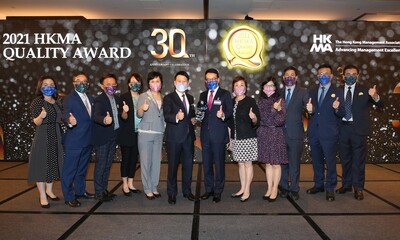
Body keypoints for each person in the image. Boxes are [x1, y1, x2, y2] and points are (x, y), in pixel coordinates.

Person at [336, 64, 384, 200]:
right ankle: (346, 185)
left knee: (358, 161)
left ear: (358, 76)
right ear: (343, 76)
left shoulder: (366, 90)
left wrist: (375, 97)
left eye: (354, 74)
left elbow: (381, 105)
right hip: (343, 129)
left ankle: (358, 188)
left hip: (358, 131)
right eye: (348, 74)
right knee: (345, 160)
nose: (351, 76)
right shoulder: (337, 90)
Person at [306, 64, 345, 202]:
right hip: (314, 132)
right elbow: (310, 112)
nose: (323, 76)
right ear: (317, 76)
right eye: (320, 74)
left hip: (329, 133)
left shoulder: (339, 92)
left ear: (332, 76)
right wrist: (309, 110)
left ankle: (330, 188)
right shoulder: (312, 91)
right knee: (316, 161)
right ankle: (318, 185)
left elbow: (343, 113)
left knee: (330, 162)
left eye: (326, 73)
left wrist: (337, 108)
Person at [198, 68, 233, 203]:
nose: (211, 81)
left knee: (219, 164)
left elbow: (229, 112)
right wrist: (197, 116)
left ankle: (218, 191)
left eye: (214, 79)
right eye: (208, 79)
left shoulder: (225, 94)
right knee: (206, 164)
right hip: (205, 135)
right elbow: (201, 113)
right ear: (205, 81)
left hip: (219, 135)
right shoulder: (202, 95)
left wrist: (223, 115)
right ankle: (209, 189)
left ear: (218, 79)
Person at [28, 75, 63, 208]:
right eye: (45, 84)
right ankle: (42, 195)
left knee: (53, 163)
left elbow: (61, 118)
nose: (49, 86)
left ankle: (49, 190)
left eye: (51, 84)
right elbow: (36, 122)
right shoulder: (37, 102)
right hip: (43, 135)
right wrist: (41, 116)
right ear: (40, 87)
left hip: (56, 135)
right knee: (41, 165)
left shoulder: (58, 101)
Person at [61, 72, 95, 208]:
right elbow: (65, 114)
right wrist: (69, 120)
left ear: (88, 84)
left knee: (82, 169)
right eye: (78, 81)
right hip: (74, 141)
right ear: (74, 83)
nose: (82, 83)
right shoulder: (69, 99)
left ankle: (80, 191)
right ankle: (69, 196)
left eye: (85, 81)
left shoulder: (91, 98)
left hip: (88, 140)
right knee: (70, 170)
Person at [163, 71, 196, 204]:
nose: (181, 83)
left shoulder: (191, 98)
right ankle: (171, 193)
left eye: (184, 81)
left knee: (188, 166)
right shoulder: (169, 98)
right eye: (179, 81)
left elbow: (191, 115)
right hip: (174, 138)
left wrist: (193, 119)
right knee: (172, 167)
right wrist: (176, 117)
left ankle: (187, 191)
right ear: (174, 82)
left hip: (188, 138)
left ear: (188, 84)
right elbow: (166, 115)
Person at [92, 73, 125, 202]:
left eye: (113, 84)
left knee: (107, 165)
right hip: (103, 137)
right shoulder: (99, 100)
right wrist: (104, 120)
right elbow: (96, 116)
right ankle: (98, 192)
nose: (111, 86)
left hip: (113, 136)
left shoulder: (116, 99)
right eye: (108, 84)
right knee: (101, 165)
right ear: (102, 86)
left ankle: (104, 189)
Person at [279, 66, 309, 200]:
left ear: (296, 78)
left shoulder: (303, 92)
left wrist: (311, 109)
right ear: (283, 78)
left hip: (295, 134)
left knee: (294, 163)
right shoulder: (278, 93)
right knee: (282, 163)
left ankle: (294, 188)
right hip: (280, 133)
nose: (289, 77)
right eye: (287, 75)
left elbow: (308, 110)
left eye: (292, 75)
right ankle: (284, 187)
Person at [228, 76, 260, 202]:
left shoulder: (250, 101)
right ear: (233, 88)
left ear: (245, 88)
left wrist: (253, 117)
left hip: (248, 138)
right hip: (236, 138)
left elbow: (257, 120)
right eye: (236, 85)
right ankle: (242, 188)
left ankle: (247, 190)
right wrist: (230, 139)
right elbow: (229, 123)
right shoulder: (231, 102)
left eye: (242, 85)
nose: (239, 87)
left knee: (247, 164)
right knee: (240, 164)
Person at [257, 77, 288, 202]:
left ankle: (275, 188)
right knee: (268, 164)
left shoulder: (280, 100)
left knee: (276, 164)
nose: (269, 88)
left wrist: (278, 109)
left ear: (275, 87)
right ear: (263, 88)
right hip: (264, 133)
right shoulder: (260, 102)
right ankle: (269, 188)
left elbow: (282, 120)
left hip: (276, 133)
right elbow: (261, 119)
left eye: (271, 86)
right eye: (266, 86)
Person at [137, 71, 165, 200]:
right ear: (148, 83)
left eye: (157, 81)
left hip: (159, 133)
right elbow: (139, 114)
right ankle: (147, 188)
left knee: (156, 163)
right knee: (146, 162)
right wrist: (143, 108)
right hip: (145, 133)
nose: (155, 83)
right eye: (152, 81)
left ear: (161, 83)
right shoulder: (143, 96)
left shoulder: (163, 97)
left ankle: (154, 187)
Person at [117, 73, 143, 197]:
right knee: (126, 159)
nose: (135, 85)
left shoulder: (143, 97)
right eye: (133, 82)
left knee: (134, 159)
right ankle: (124, 184)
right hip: (127, 133)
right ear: (128, 84)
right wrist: (124, 111)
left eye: (137, 82)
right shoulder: (124, 97)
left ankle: (131, 183)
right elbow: (123, 117)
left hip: (140, 133)